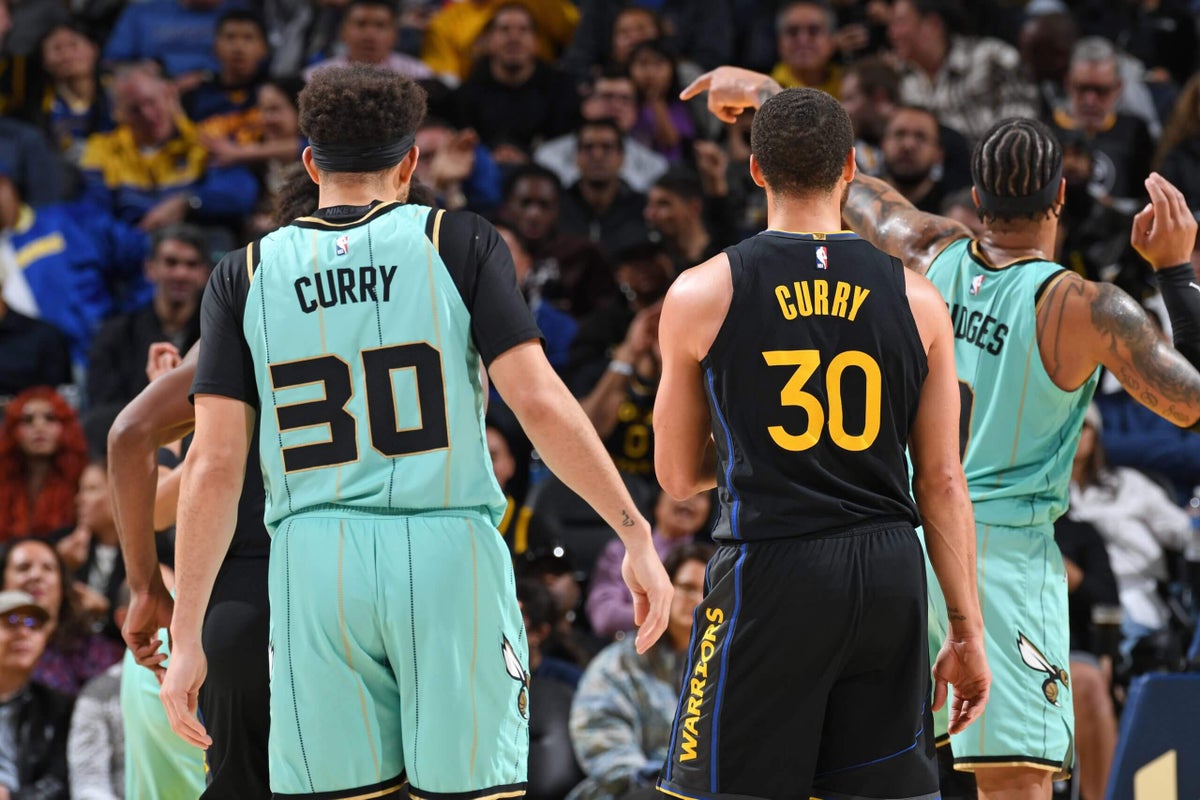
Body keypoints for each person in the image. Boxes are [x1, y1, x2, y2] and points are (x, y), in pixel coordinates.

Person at [681, 66, 1200, 800]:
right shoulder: (1088, 310)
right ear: (1060, 197)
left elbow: (853, 188)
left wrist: (769, 95)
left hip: (901, 546)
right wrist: (1176, 270)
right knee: (1013, 786)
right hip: (1003, 562)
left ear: (976, 199)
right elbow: (1192, 405)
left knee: (866, 778)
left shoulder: (926, 252)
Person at [158, 64, 672, 799]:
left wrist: (186, 639)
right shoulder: (458, 240)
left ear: (310, 163)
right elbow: (539, 403)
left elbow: (212, 467)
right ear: (409, 164)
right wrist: (634, 533)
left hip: (313, 561)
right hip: (445, 551)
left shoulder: (243, 273)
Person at [652, 87, 989, 800]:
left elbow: (679, 475)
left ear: (753, 170)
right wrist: (965, 628)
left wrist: (766, 453)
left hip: (774, 568)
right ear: (851, 167)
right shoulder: (919, 298)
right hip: (891, 572)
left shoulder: (700, 293)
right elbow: (943, 481)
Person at [109, 342, 272, 799]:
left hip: (236, 612)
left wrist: (187, 425)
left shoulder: (244, 297)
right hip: (379, 579)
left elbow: (133, 438)